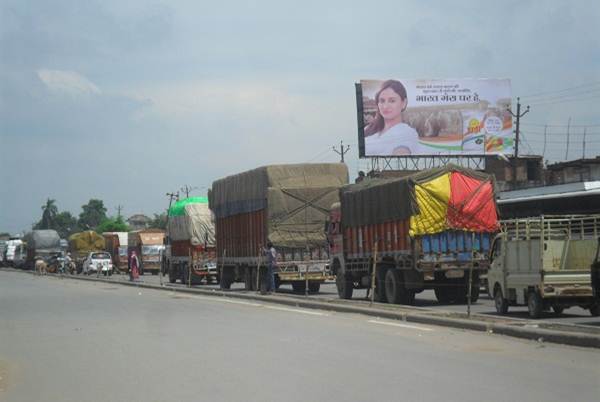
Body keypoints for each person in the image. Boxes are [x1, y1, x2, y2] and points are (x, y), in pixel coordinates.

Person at [364, 80, 421, 156]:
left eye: (392, 101)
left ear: (404, 103)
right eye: (382, 101)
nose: (385, 106)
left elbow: (401, 160)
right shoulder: (368, 129)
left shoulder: (407, 133)